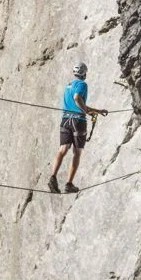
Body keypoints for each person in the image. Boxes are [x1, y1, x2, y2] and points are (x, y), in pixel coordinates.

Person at [48, 62, 106, 193]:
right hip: (78, 121)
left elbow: (76, 103)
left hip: (65, 119)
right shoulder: (82, 84)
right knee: (77, 152)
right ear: (84, 73)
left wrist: (96, 111)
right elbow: (77, 99)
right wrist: (86, 111)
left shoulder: (68, 86)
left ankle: (53, 177)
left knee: (62, 149)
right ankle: (69, 184)